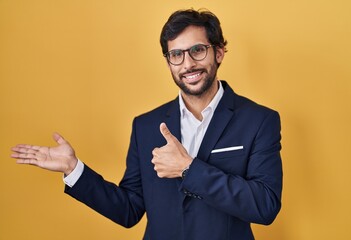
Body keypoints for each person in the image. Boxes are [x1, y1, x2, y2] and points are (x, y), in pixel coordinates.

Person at [10, 9, 283, 240]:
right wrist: (74, 170)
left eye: (197, 50)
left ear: (219, 52)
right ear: (168, 62)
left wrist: (189, 169)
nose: (187, 64)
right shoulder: (146, 125)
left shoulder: (259, 120)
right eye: (176, 55)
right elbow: (129, 210)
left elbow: (265, 205)